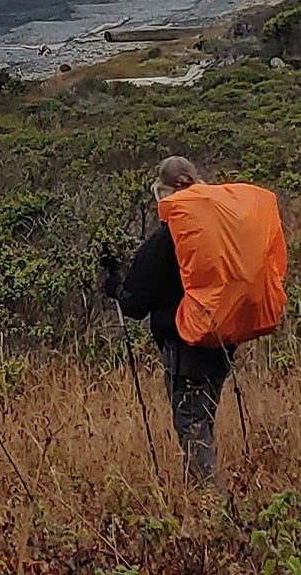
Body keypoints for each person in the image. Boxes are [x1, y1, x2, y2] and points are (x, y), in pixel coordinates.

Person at [98, 155, 233, 485]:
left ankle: (212, 511)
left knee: (192, 425)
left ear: (165, 192)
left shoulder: (167, 238)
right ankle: (201, 501)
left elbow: (134, 303)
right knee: (203, 418)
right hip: (223, 340)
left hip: (186, 345)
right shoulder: (220, 226)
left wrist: (114, 285)